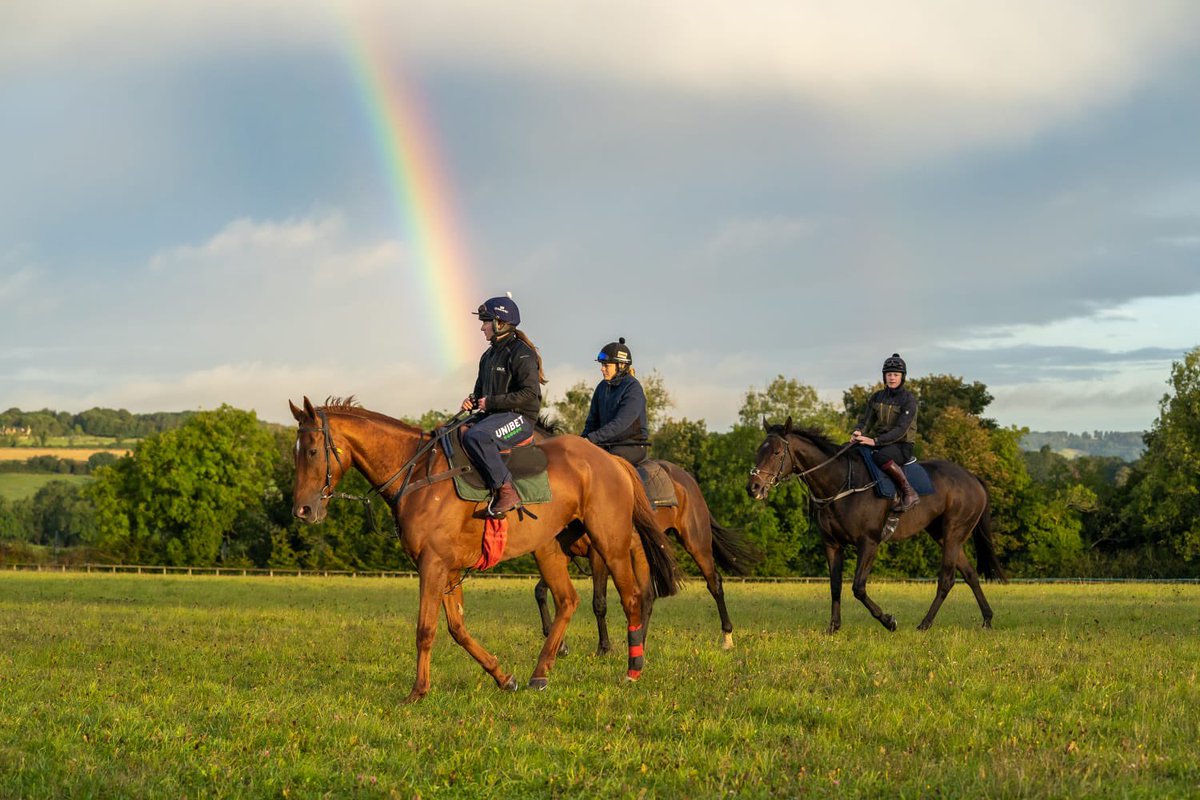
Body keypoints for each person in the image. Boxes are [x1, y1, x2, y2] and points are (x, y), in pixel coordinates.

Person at [460, 294, 546, 516]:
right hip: (494, 416)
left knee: (477, 437)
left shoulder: (522, 353)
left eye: (486, 322)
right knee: (453, 431)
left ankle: (507, 491)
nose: (482, 328)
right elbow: (480, 391)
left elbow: (530, 393)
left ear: (500, 323)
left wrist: (491, 402)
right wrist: (472, 400)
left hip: (520, 419)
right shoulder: (487, 356)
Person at [851, 353, 920, 511]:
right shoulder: (877, 397)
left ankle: (909, 492)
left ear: (902, 377)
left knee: (881, 457)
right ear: (884, 376)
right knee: (851, 449)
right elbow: (866, 421)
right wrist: (858, 431)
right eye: (889, 374)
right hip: (881, 442)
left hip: (902, 445)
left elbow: (901, 430)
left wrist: (875, 441)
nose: (892, 378)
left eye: (896, 374)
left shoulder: (908, 400)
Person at [581, 337, 649, 465]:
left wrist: (591, 439)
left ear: (621, 366)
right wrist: (581, 441)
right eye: (602, 365)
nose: (602, 369)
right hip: (605, 443)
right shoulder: (602, 387)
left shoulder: (633, 388)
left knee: (606, 463)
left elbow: (620, 423)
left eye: (606, 365)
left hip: (631, 445)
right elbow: (592, 422)